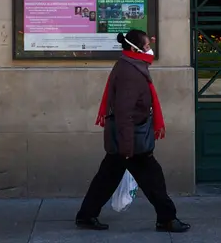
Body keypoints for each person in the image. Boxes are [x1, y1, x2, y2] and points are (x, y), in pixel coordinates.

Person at [75, 30, 191, 233]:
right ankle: (167, 219)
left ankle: (86, 215)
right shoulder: (131, 73)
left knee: (106, 177)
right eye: (146, 46)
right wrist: (127, 147)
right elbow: (123, 112)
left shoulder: (130, 64)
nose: (149, 49)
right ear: (133, 48)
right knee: (153, 179)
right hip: (131, 140)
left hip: (125, 139)